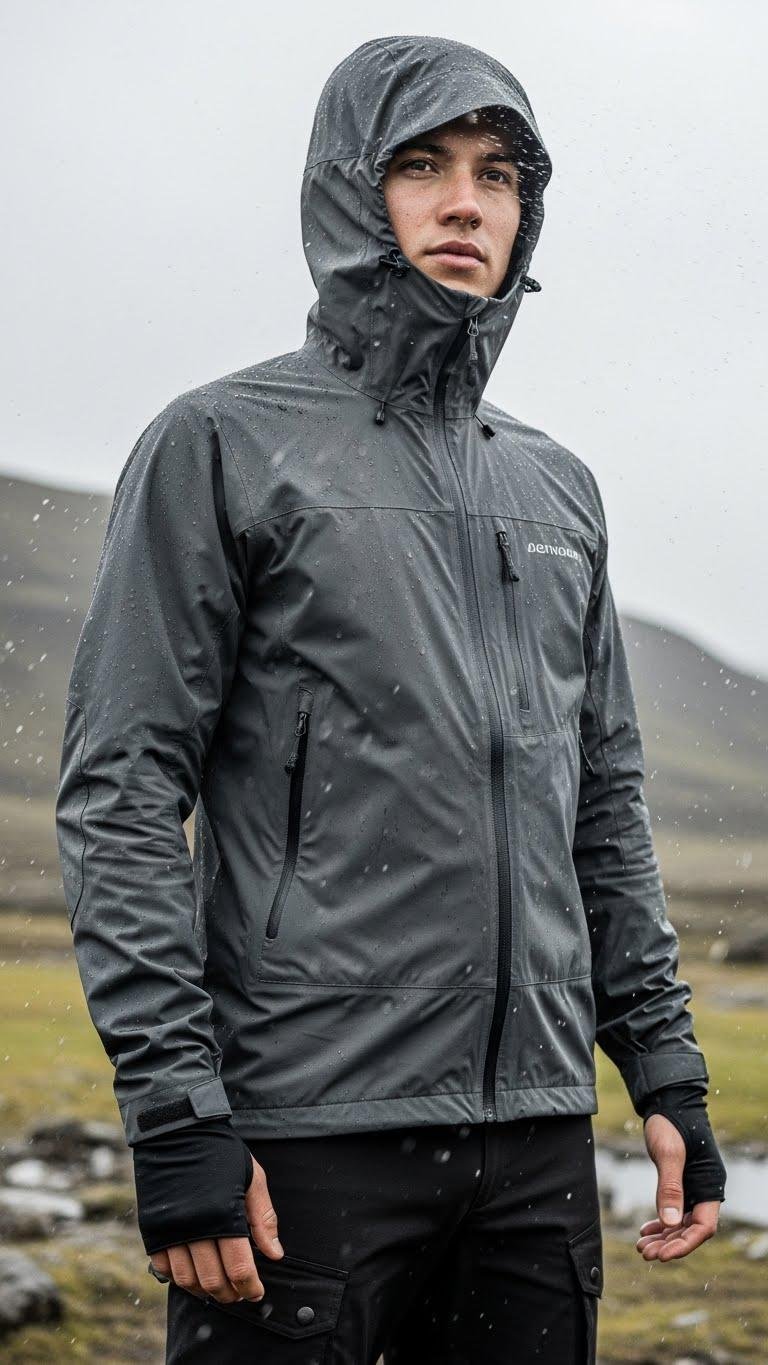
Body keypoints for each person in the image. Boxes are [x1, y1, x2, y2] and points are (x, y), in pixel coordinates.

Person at [56, 33, 726, 1364]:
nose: (466, 202)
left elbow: (602, 803)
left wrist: (664, 1067)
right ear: (350, 192)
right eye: (422, 165)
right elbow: (121, 793)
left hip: (535, 1148)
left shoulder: (558, 488)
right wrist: (177, 1112)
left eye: (499, 174)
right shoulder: (221, 444)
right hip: (306, 1140)